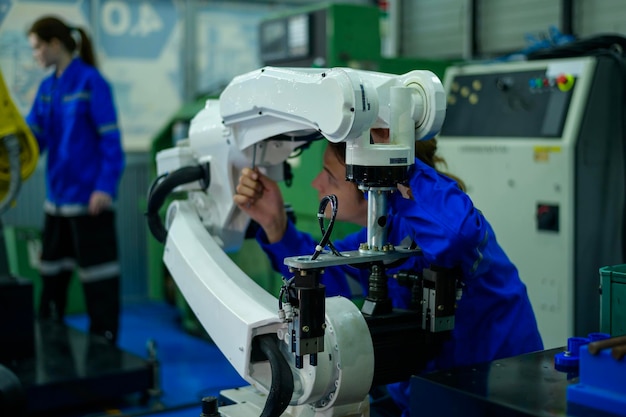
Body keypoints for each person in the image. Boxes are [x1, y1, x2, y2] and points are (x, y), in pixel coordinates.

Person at [234, 128, 544, 416]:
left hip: (495, 393)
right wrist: (275, 225)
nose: (317, 184)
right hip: (424, 392)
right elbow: (333, 274)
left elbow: (456, 237)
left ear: (370, 182)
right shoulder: (382, 234)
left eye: (329, 176)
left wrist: (390, 160)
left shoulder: (442, 228)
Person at [26, 16, 125, 344]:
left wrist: (104, 187)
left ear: (55, 44)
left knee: (99, 284)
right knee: (50, 280)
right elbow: (31, 141)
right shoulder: (46, 89)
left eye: (38, 47)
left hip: (90, 204)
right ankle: (49, 350)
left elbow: (111, 142)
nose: (35, 54)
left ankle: (105, 346)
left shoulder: (91, 82)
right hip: (57, 203)